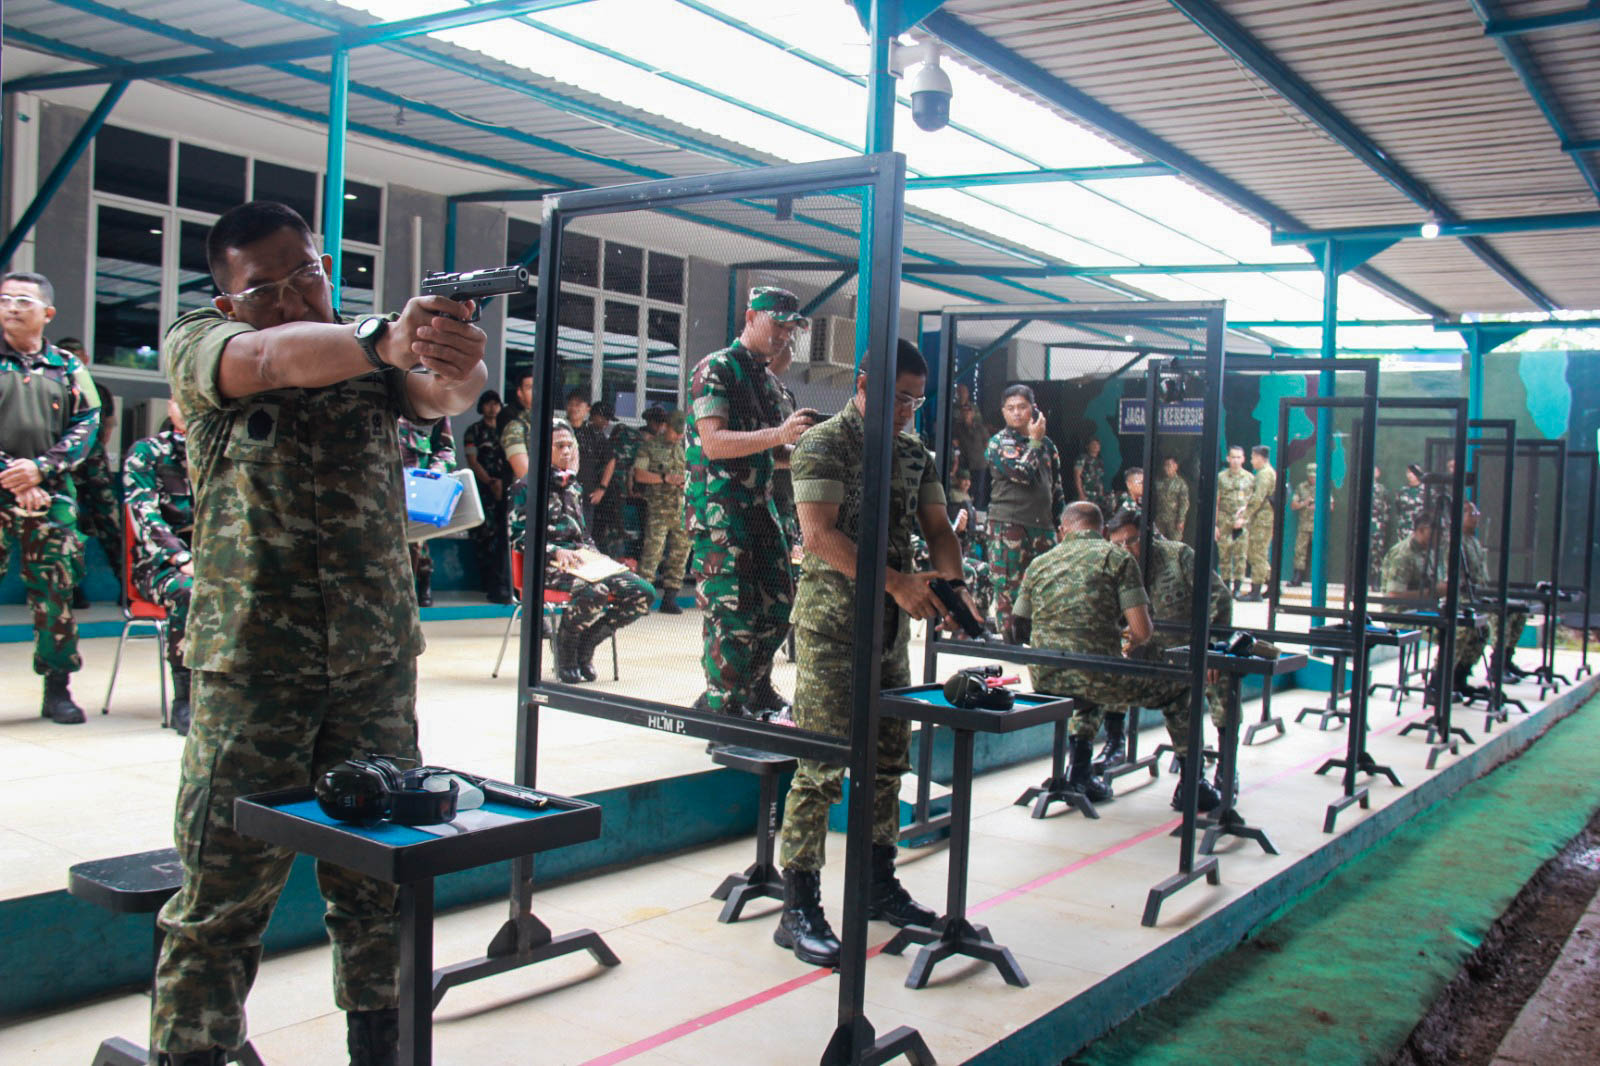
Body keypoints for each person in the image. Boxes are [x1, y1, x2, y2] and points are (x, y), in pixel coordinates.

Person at [152, 200, 488, 1066]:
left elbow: (437, 395)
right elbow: (269, 359)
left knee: (379, 882)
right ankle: (192, 1051)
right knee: (222, 895)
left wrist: (457, 363)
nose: (293, 296)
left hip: (373, 664)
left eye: (305, 273)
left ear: (325, 264)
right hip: (253, 669)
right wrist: (386, 338)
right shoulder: (201, 342)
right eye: (265, 287)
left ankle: (381, 1046)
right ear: (227, 301)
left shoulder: (371, 355)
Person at [774, 338, 963, 967]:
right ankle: (798, 906)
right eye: (900, 397)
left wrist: (953, 591)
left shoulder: (913, 454)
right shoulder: (824, 443)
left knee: (886, 762)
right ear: (863, 385)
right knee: (822, 765)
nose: (908, 410)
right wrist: (897, 582)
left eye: (917, 401)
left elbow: (939, 529)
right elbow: (819, 535)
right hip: (833, 629)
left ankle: (878, 883)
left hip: (889, 630)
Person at [684, 286, 818, 720]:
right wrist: (779, 434)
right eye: (776, 325)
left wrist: (812, 454)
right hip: (721, 514)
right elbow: (714, 442)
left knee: (779, 608)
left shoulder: (770, 383)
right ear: (750, 317)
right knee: (733, 617)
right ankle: (722, 711)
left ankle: (755, 690)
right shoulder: (716, 369)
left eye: (790, 330)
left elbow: (772, 453)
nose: (783, 336)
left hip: (762, 509)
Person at [1016, 502, 1187, 803]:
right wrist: (1126, 639)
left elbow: (1018, 626)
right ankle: (1192, 782)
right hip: (1097, 678)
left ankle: (1080, 774)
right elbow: (1142, 630)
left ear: (1062, 531)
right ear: (1104, 530)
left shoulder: (1039, 563)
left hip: (1045, 679)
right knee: (1179, 689)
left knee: (1091, 684)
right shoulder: (1118, 558)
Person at [0, 271, 101, 724]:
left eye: (24, 300)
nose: (12, 307)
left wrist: (41, 469)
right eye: (5, 299)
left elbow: (88, 423)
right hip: (7, 484)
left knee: (56, 588)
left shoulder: (67, 366)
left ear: (48, 313)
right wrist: (14, 474)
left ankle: (57, 688)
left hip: (52, 492)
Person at [509, 418, 654, 683]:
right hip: (546, 566)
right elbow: (518, 537)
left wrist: (601, 558)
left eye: (570, 445)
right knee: (595, 591)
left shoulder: (573, 487)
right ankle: (566, 648)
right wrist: (554, 551)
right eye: (559, 446)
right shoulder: (525, 487)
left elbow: (582, 535)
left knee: (643, 592)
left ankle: (587, 643)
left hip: (581, 562)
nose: (566, 451)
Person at [1105, 510, 1231, 811]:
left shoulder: (1178, 556)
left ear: (1147, 536)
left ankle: (1226, 765)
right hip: (1151, 654)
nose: (1126, 549)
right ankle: (1113, 745)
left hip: (1192, 651)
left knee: (1222, 681)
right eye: (1118, 544)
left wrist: (1213, 649)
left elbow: (1220, 598)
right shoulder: (1116, 566)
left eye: (1131, 540)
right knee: (1105, 672)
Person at [123, 398, 196, 735]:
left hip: (216, 559)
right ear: (171, 407)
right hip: (159, 565)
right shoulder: (149, 452)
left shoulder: (223, 450)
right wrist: (181, 558)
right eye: (183, 399)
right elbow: (144, 514)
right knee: (189, 591)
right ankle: (186, 698)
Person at [984, 384, 1066, 641]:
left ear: (1034, 409)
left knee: (1046, 585)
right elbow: (1022, 474)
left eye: (1022, 407)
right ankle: (1012, 643)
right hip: (1010, 526)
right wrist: (1035, 442)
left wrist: (1062, 524)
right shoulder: (999, 443)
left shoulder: (1048, 445)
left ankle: (1039, 641)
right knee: (1009, 588)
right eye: (1010, 408)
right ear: (1003, 412)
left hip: (1044, 526)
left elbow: (1056, 487)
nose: (1017, 413)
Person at [1381, 513, 1485, 707]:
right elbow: (1393, 596)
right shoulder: (1403, 554)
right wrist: (1434, 591)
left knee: (1479, 628)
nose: (1440, 536)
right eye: (1436, 532)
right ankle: (1436, 686)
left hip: (1425, 611)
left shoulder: (1429, 552)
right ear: (1422, 530)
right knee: (1456, 630)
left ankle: (1457, 679)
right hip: (1402, 615)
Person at [56, 335, 123, 609]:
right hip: (65, 468)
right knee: (67, 528)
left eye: (76, 355)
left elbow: (107, 428)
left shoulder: (98, 390)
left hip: (94, 467)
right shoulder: (53, 387)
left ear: (85, 358)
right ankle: (69, 589)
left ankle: (128, 585)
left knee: (110, 525)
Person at [1461, 499, 1529, 683]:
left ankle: (1505, 659)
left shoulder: (1474, 542)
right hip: (1465, 598)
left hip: (1480, 595)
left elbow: (1482, 577)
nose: (1476, 517)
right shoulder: (1455, 543)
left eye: (1477, 513)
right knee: (1501, 614)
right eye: (1471, 514)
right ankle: (1496, 667)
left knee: (1518, 612)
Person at [633, 408, 691, 613]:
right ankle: (642, 601)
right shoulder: (649, 447)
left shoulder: (686, 449)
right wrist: (664, 478)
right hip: (658, 510)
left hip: (681, 509)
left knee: (680, 554)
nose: (678, 436)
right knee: (652, 554)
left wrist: (685, 482)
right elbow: (639, 475)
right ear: (665, 427)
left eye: (681, 433)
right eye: (675, 432)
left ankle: (670, 599)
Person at [398, 415, 455, 608]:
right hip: (370, 502)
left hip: (415, 502)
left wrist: (436, 471)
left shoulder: (431, 403)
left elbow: (445, 449)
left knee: (414, 555)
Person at [464, 390, 512, 604]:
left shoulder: (507, 430)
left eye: (496, 404)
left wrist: (502, 483)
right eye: (488, 404)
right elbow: (473, 461)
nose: (492, 408)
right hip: (484, 489)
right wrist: (491, 482)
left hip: (506, 487)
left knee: (503, 534)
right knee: (484, 533)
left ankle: (500, 582)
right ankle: (485, 582)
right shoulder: (473, 431)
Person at [567, 390, 614, 536]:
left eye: (578, 404)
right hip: (559, 493)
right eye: (571, 404)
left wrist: (602, 488)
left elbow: (611, 460)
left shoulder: (593, 433)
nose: (574, 408)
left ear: (587, 408)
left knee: (583, 537)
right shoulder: (559, 428)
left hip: (585, 495)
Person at [587, 399, 627, 557]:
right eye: (604, 418)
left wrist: (602, 488)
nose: (606, 423)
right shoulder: (585, 432)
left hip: (596, 493)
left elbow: (611, 460)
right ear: (594, 415)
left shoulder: (600, 437)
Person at [1239, 445, 1276, 602]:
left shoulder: (1264, 474)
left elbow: (1258, 498)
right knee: (1256, 553)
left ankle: (1255, 592)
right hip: (1262, 519)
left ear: (1260, 458)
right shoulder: (1265, 472)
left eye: (1253, 457)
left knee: (1257, 554)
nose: (1252, 461)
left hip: (1262, 520)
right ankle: (1273, 586)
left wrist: (1244, 516)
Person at [1216, 446, 1254, 596]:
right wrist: (1215, 525)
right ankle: (1225, 587)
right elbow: (1216, 501)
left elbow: (1252, 503)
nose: (1236, 460)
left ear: (1243, 459)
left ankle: (1237, 589)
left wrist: (1244, 519)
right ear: (1228, 458)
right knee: (1224, 555)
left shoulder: (1250, 478)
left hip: (1242, 522)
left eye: (1239, 457)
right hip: (1224, 521)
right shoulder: (1221, 477)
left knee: (1241, 556)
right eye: (1233, 457)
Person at [1288, 463, 1332, 587]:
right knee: (1299, 551)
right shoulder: (1301, 487)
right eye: (1311, 476)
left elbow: (1331, 506)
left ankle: (1320, 578)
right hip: (1304, 525)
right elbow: (1293, 505)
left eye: (1315, 476)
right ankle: (1297, 577)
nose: (1313, 479)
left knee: (1319, 551)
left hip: (1318, 527)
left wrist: (1319, 506)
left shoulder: (1324, 486)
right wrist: (1304, 503)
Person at [501, 368, 536, 480]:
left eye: (540, 386)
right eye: (530, 388)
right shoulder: (515, 427)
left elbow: (573, 464)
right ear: (520, 393)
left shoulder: (560, 423)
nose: (537, 391)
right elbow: (524, 474)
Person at [1153, 455, 1190, 542]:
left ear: (1176, 466)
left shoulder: (1181, 484)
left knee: (1174, 544)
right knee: (1158, 543)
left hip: (1174, 520)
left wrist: (1181, 520)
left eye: (1169, 465)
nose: (1166, 468)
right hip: (1160, 519)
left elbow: (1184, 503)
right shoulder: (1158, 482)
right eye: (1165, 465)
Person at [1073, 435, 1111, 516]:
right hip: (1086, 494)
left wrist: (1101, 494)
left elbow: (1099, 479)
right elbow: (1077, 476)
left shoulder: (1099, 461)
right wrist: (1081, 494)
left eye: (1097, 444)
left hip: (1097, 496)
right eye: (1093, 444)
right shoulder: (1082, 458)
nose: (1095, 446)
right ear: (1087, 446)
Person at [1369, 465, 1392, 587]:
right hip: (1364, 526)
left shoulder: (1382, 490)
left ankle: (1376, 581)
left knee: (1377, 554)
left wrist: (1383, 525)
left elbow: (1386, 509)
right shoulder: (1361, 487)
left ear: (1378, 473)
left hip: (1378, 527)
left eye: (1375, 471)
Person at [1392, 463, 1426, 541]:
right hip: (1404, 530)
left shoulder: (1428, 492)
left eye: (1414, 472)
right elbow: (1398, 510)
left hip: (1420, 531)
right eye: (1409, 472)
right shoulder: (1402, 491)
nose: (1411, 474)